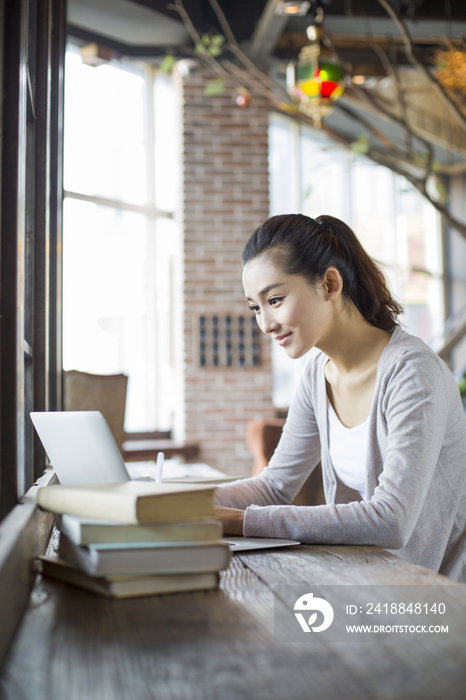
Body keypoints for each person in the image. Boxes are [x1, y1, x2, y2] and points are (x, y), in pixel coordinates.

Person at [214, 213, 466, 582]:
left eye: (275, 299)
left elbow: (390, 519)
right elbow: (274, 486)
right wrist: (177, 504)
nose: (265, 324)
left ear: (330, 283)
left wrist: (240, 522)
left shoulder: (412, 372)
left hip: (439, 599)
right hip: (368, 583)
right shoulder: (317, 374)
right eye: (256, 307)